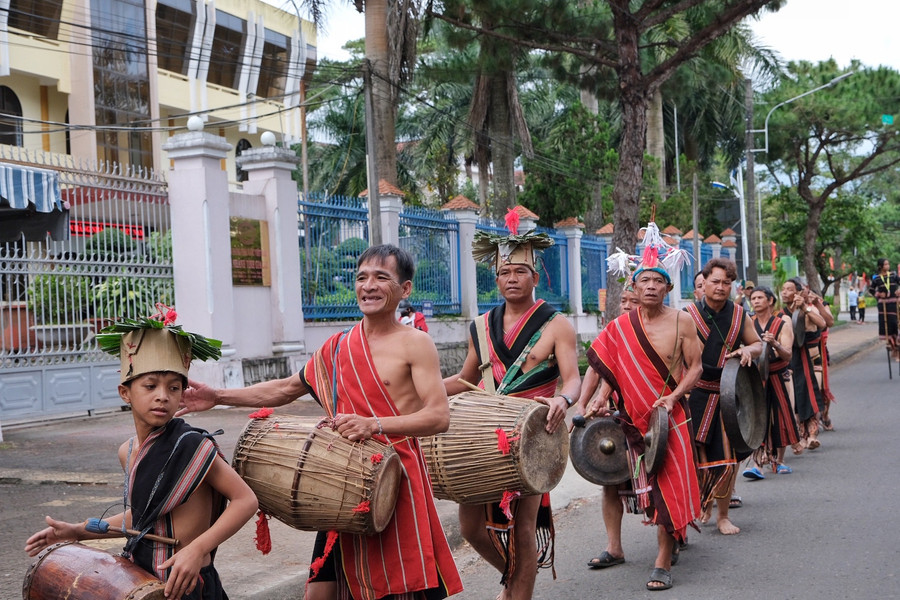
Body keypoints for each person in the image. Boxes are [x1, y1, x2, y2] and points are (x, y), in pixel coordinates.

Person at [179, 245, 463, 600]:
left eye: (381, 277)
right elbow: (285, 389)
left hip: (397, 484)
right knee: (318, 593)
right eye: (361, 278)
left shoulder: (416, 343)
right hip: (342, 486)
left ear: (405, 289)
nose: (369, 286)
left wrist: (373, 425)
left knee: (401, 589)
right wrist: (218, 397)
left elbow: (438, 415)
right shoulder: (338, 346)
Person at [25, 311, 258, 600]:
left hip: (188, 583)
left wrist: (198, 549)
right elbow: (143, 517)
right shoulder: (128, 451)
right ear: (125, 392)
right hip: (141, 581)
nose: (163, 395)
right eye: (150, 386)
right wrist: (78, 530)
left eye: (174, 387)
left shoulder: (194, 446)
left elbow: (245, 500)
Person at [444, 214, 581, 600]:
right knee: (471, 526)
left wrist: (563, 399)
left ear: (535, 277)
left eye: (520, 271)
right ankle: (517, 578)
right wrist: (422, 391)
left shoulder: (557, 325)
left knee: (523, 529)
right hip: (483, 437)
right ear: (497, 278)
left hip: (534, 439)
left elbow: (573, 379)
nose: (512, 278)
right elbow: (463, 379)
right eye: (505, 272)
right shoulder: (481, 325)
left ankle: (519, 589)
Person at [578, 232, 702, 592]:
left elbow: (694, 368)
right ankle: (614, 547)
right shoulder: (619, 327)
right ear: (632, 286)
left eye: (658, 280)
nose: (651, 286)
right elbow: (604, 367)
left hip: (668, 417)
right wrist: (592, 401)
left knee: (667, 487)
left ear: (668, 288)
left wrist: (675, 396)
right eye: (644, 280)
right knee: (612, 482)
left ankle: (663, 558)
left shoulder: (682, 321)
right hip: (629, 418)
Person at [685, 258, 762, 536]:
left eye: (726, 283)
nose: (720, 287)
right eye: (715, 281)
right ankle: (697, 505)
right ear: (703, 283)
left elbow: (758, 344)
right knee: (693, 456)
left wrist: (747, 352)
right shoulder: (686, 315)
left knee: (727, 459)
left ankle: (723, 516)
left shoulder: (741, 315)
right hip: (694, 394)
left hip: (728, 395)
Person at [743, 287, 799, 479]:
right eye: (753, 298)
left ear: (770, 301)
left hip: (778, 374)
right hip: (756, 377)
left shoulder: (782, 322)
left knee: (781, 417)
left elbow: (788, 354)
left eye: (760, 298)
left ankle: (779, 461)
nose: (756, 301)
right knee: (757, 419)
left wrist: (775, 343)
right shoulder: (748, 322)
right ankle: (757, 464)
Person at [779, 278, 827, 451]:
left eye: (789, 289)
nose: (784, 292)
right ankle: (799, 436)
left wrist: (804, 308)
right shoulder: (781, 313)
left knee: (809, 394)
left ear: (798, 292)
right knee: (794, 398)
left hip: (808, 358)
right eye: (783, 289)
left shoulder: (808, 309)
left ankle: (813, 435)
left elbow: (823, 323)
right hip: (790, 359)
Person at [869, 257, 900, 360]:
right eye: (885, 264)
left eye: (888, 264)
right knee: (887, 327)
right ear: (881, 266)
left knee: (895, 323)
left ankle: (897, 346)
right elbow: (871, 290)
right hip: (883, 305)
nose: (887, 266)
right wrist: (878, 294)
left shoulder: (893, 276)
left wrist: (899, 291)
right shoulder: (877, 278)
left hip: (893, 303)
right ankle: (893, 347)